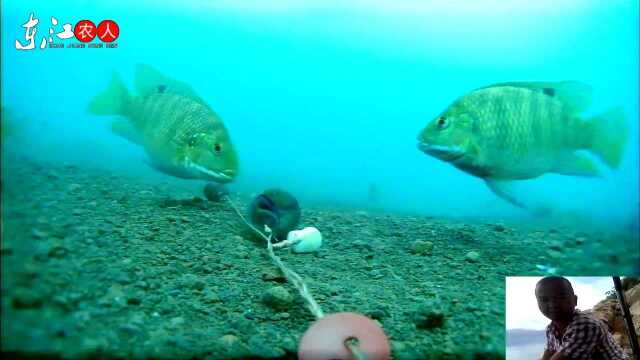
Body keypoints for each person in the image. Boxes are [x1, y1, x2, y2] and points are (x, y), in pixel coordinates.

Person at [535, 276, 629, 360]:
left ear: (575, 300)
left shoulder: (586, 326)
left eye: (561, 297)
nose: (552, 304)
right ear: (538, 304)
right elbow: (549, 352)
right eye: (544, 300)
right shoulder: (551, 329)